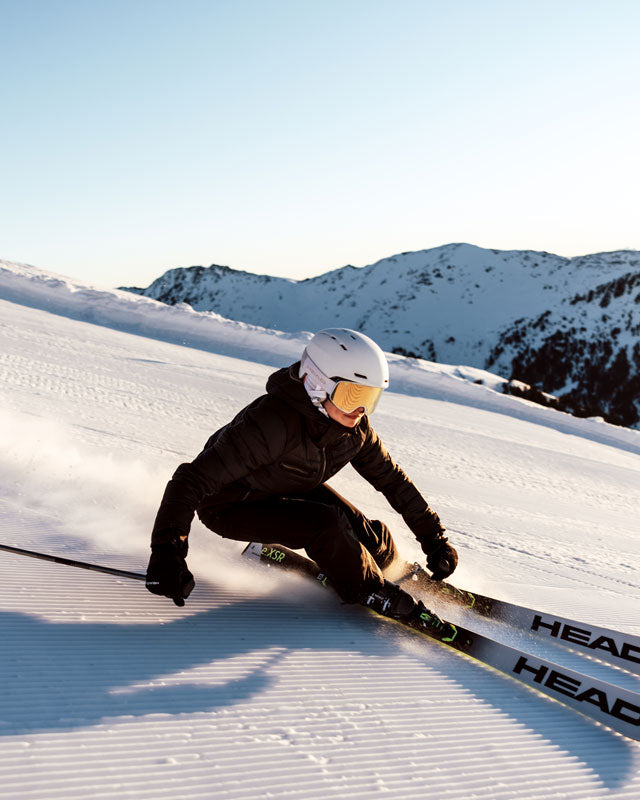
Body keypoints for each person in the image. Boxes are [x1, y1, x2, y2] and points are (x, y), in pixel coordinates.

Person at [145, 328, 458, 631]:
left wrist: (434, 538)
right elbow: (190, 480)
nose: (360, 410)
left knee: (357, 525)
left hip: (284, 487)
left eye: (370, 398)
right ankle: (371, 590)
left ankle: (389, 565)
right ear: (317, 384)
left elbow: (393, 481)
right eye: (352, 395)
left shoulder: (355, 431)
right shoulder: (271, 424)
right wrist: (166, 554)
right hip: (229, 506)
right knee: (326, 524)